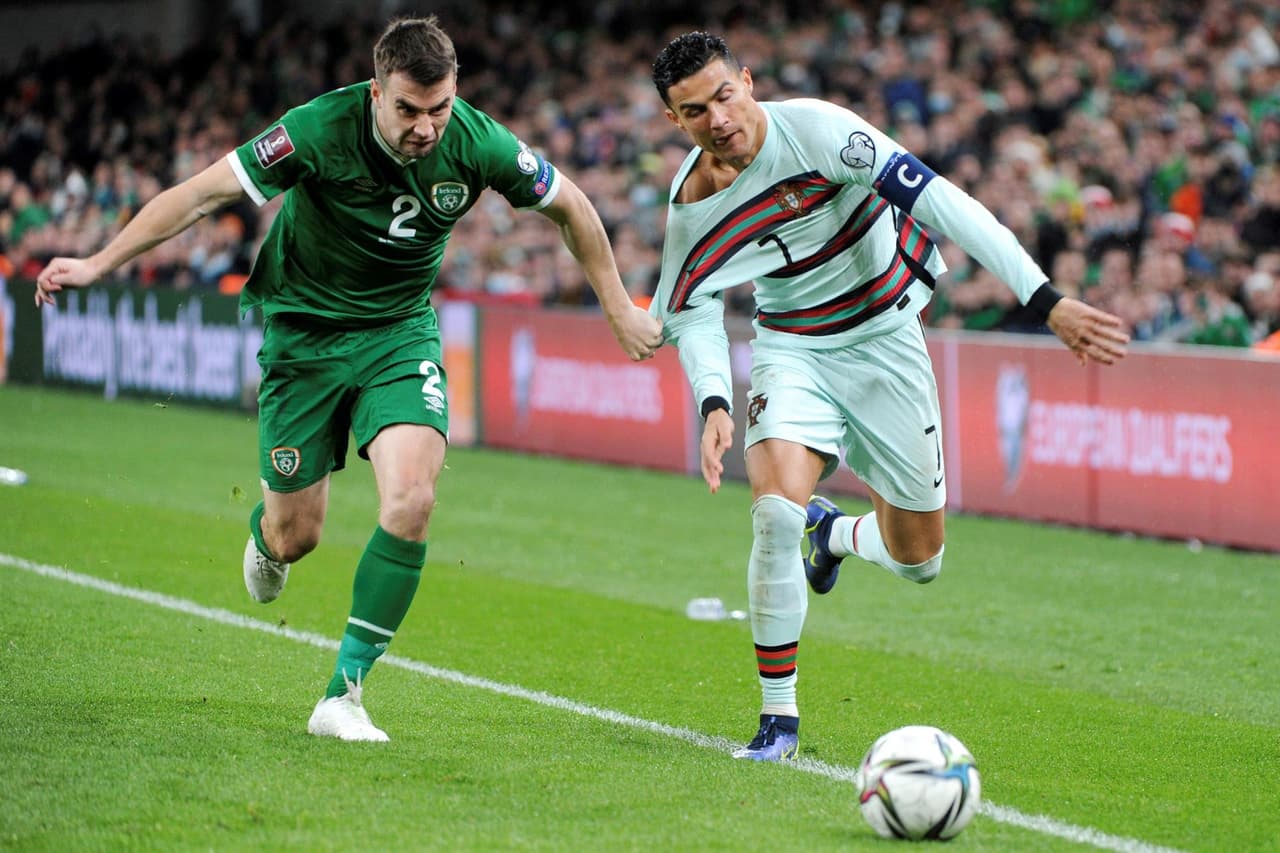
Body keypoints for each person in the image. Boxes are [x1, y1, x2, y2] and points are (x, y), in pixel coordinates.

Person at [35, 16, 663, 742]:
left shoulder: (480, 141)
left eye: (440, 108)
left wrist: (617, 304)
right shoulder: (316, 129)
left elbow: (572, 206)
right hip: (302, 337)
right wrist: (98, 263)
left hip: (399, 333)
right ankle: (269, 537)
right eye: (408, 110)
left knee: (413, 496)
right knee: (298, 534)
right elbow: (202, 196)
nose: (427, 127)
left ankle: (345, 693)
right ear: (375, 93)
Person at [648, 32, 1128, 761]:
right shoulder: (693, 207)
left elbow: (945, 203)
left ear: (748, 81)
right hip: (793, 350)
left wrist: (1045, 298)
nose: (717, 118)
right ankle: (779, 721)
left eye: (723, 95)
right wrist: (715, 400)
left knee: (919, 558)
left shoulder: (822, 132)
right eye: (694, 110)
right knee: (773, 511)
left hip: (887, 341)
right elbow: (687, 308)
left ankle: (834, 535)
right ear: (674, 122)